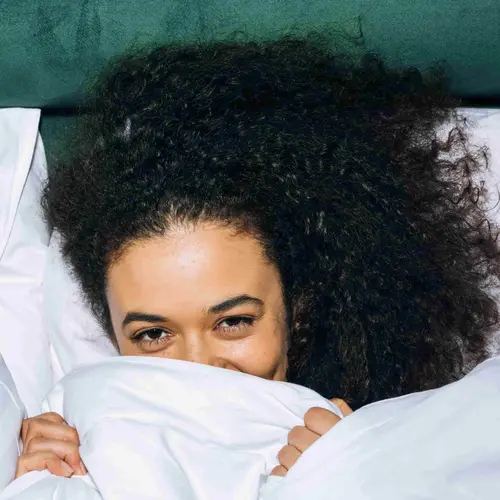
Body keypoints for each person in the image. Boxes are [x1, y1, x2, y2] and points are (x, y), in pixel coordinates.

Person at [16, 36, 500, 480]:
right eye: (153, 334)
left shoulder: (410, 442)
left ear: (299, 305)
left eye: (232, 322)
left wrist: (364, 472)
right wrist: (44, 479)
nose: (199, 370)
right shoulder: (85, 448)